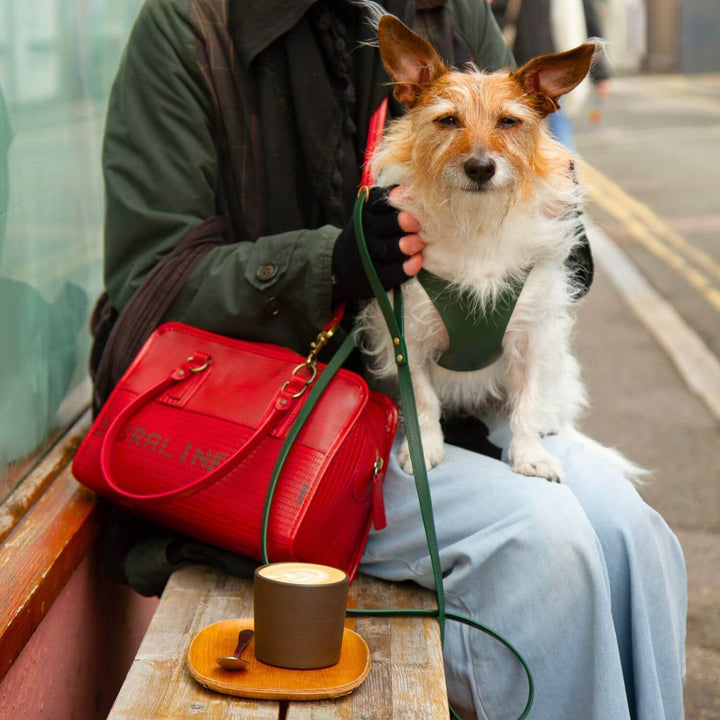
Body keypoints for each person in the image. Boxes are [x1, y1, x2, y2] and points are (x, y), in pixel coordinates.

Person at [93, 1, 686, 718]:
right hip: (280, 421)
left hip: (438, 392)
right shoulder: (189, 27)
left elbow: (520, 146)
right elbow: (149, 286)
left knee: (630, 529)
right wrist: (329, 262)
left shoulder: (444, 9)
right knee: (542, 542)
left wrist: (555, 221)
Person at [491, 0, 613, 151]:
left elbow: (591, 27)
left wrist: (601, 76)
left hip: (557, 77)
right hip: (523, 80)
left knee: (559, 138)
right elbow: (496, 21)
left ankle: (566, 173)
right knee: (529, 143)